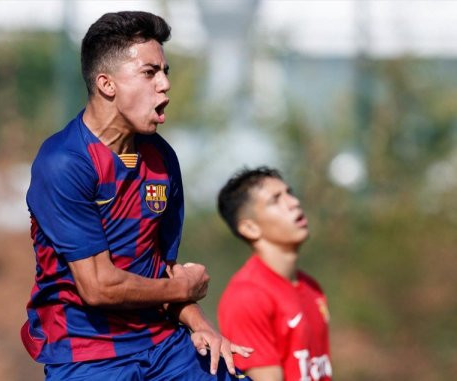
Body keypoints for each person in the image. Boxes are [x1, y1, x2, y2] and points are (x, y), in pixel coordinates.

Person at [21, 11, 251, 380]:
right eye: (149, 72)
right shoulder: (63, 162)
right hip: (88, 355)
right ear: (107, 84)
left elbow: (160, 273)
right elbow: (98, 286)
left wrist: (199, 322)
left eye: (165, 71)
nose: (164, 84)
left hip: (163, 346)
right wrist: (181, 287)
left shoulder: (162, 160)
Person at [217, 167, 333, 381]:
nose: (294, 203)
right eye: (276, 200)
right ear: (250, 228)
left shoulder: (311, 286)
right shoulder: (247, 296)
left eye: (290, 193)